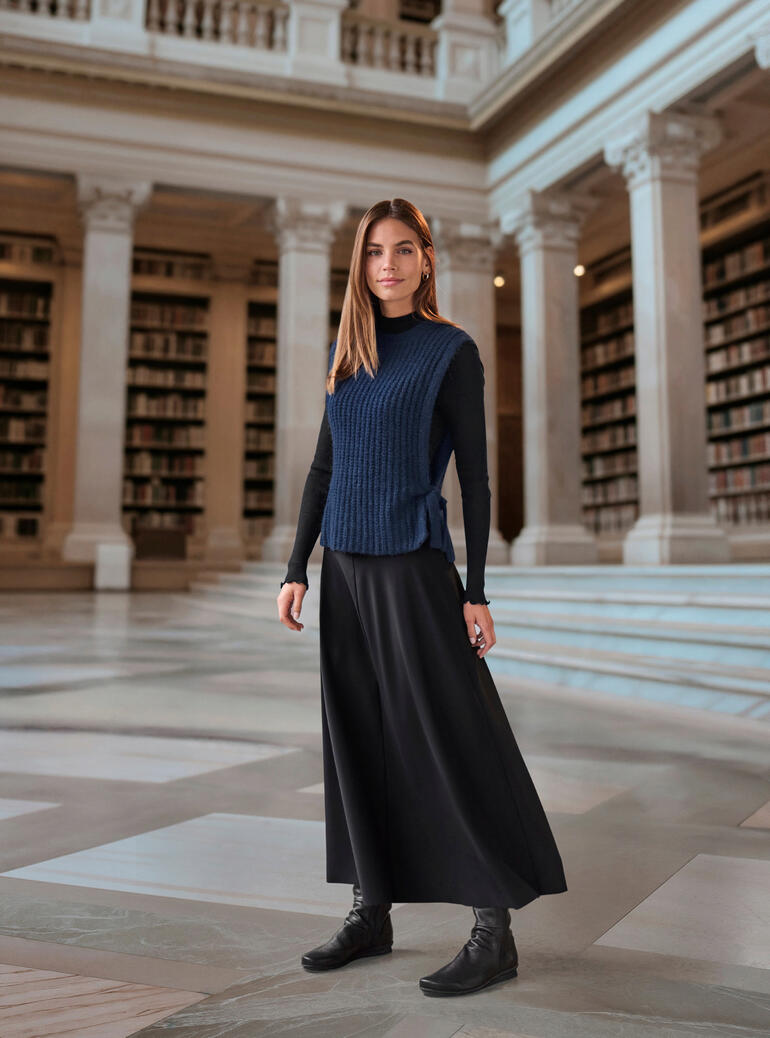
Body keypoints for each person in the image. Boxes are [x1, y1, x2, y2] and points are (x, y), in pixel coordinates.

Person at [277, 197, 567, 998]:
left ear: (427, 259)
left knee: (445, 737)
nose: (389, 264)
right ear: (360, 265)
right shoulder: (347, 355)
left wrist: (475, 589)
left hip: (413, 564)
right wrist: (297, 566)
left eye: (405, 250)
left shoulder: (450, 352)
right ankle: (372, 912)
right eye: (376, 251)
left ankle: (492, 931)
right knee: (357, 740)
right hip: (347, 571)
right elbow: (322, 471)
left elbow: (472, 476)